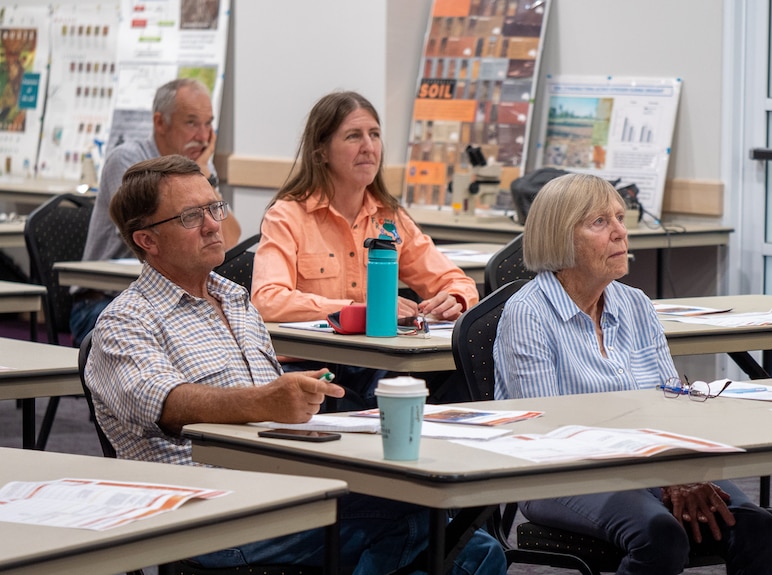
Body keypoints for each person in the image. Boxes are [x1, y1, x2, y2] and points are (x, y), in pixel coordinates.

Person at [85, 154, 506, 574]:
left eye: (214, 207)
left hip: (283, 487)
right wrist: (264, 401)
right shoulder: (125, 321)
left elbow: (270, 414)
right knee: (446, 532)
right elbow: (164, 404)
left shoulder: (234, 300)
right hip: (209, 516)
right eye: (191, 217)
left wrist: (290, 400)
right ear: (147, 240)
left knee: (463, 544)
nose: (214, 224)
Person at [493, 173, 772, 575]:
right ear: (560, 237)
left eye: (620, 218)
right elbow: (549, 432)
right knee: (659, 534)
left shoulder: (635, 304)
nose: (620, 233)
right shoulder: (528, 313)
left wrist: (685, 471)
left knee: (757, 527)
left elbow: (670, 404)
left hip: (648, 465)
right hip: (559, 474)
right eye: (599, 222)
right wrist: (663, 477)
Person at [251, 91, 479, 407]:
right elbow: (267, 300)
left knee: (458, 376)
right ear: (321, 152)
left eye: (374, 135)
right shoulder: (288, 214)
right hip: (310, 365)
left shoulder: (389, 216)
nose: (368, 147)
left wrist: (453, 300)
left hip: (376, 364)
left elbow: (459, 283)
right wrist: (363, 310)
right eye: (353, 136)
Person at [70, 78, 241, 346]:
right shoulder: (128, 162)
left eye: (209, 124)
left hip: (174, 300)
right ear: (160, 122)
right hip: (105, 300)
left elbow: (229, 242)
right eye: (192, 123)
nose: (203, 136)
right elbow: (144, 242)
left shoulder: (196, 168)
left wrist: (205, 174)